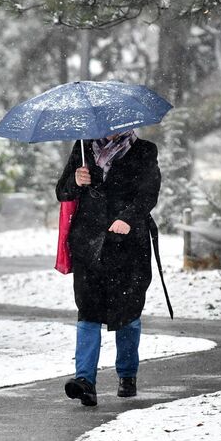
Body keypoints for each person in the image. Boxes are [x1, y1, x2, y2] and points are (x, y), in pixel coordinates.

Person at [55, 130, 161, 406]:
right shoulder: (83, 148)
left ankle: (127, 374)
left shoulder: (144, 150)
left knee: (127, 312)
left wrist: (128, 218)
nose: (109, 131)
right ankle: (85, 381)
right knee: (87, 311)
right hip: (88, 245)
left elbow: (149, 193)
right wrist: (76, 180)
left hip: (129, 246)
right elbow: (62, 192)